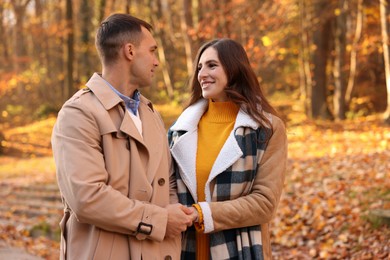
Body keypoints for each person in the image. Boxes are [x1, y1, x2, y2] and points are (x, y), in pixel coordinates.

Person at [51, 13, 194, 260]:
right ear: (129, 51)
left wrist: (173, 216)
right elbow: (86, 198)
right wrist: (158, 221)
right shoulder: (78, 113)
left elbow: (167, 181)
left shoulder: (150, 114)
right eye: (152, 51)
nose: (156, 61)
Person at [168, 38, 288, 260]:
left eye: (212, 65)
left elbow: (264, 203)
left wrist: (202, 213)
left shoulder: (266, 129)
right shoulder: (179, 131)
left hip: (240, 250)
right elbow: (168, 189)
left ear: (234, 69)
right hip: (183, 250)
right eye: (199, 67)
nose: (202, 74)